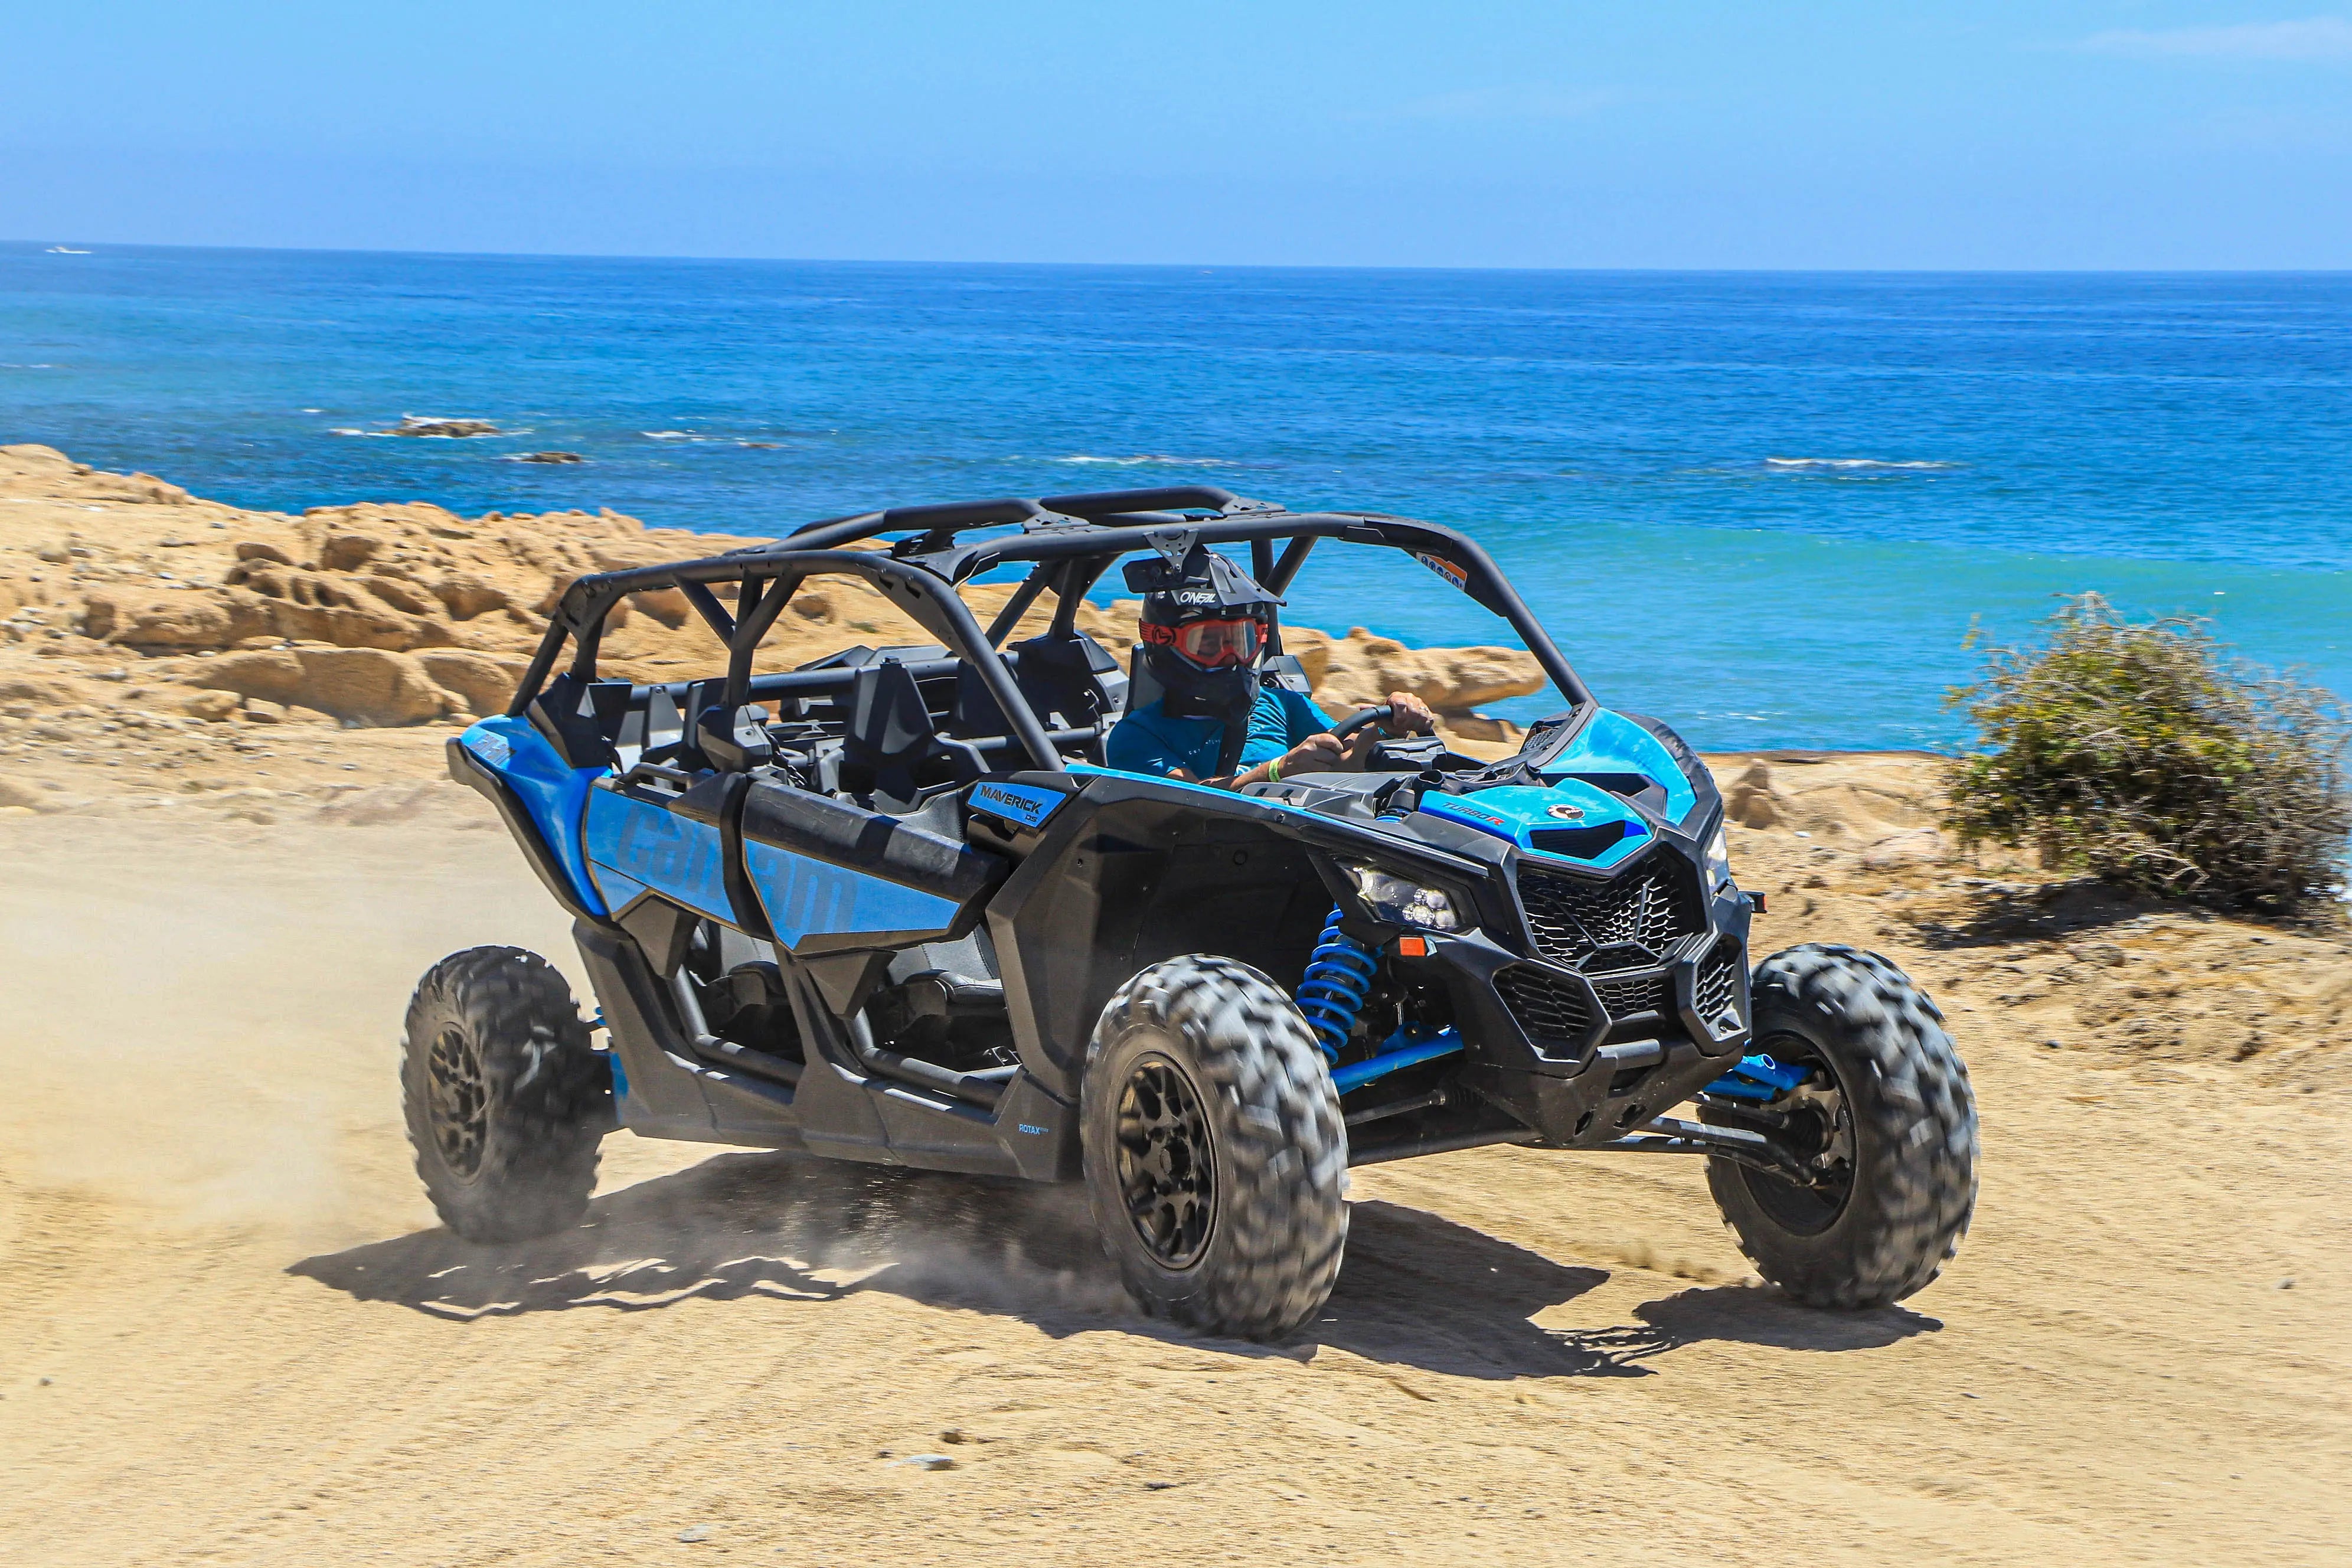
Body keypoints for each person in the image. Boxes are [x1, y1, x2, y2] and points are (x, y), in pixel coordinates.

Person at [1103, 549, 1438, 787]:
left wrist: (1388, 727)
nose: (1232, 657)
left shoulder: (1283, 704)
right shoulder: (1137, 736)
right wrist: (1279, 772)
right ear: (1165, 643)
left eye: (1243, 641)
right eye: (1209, 644)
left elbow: (1347, 758)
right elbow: (1193, 803)